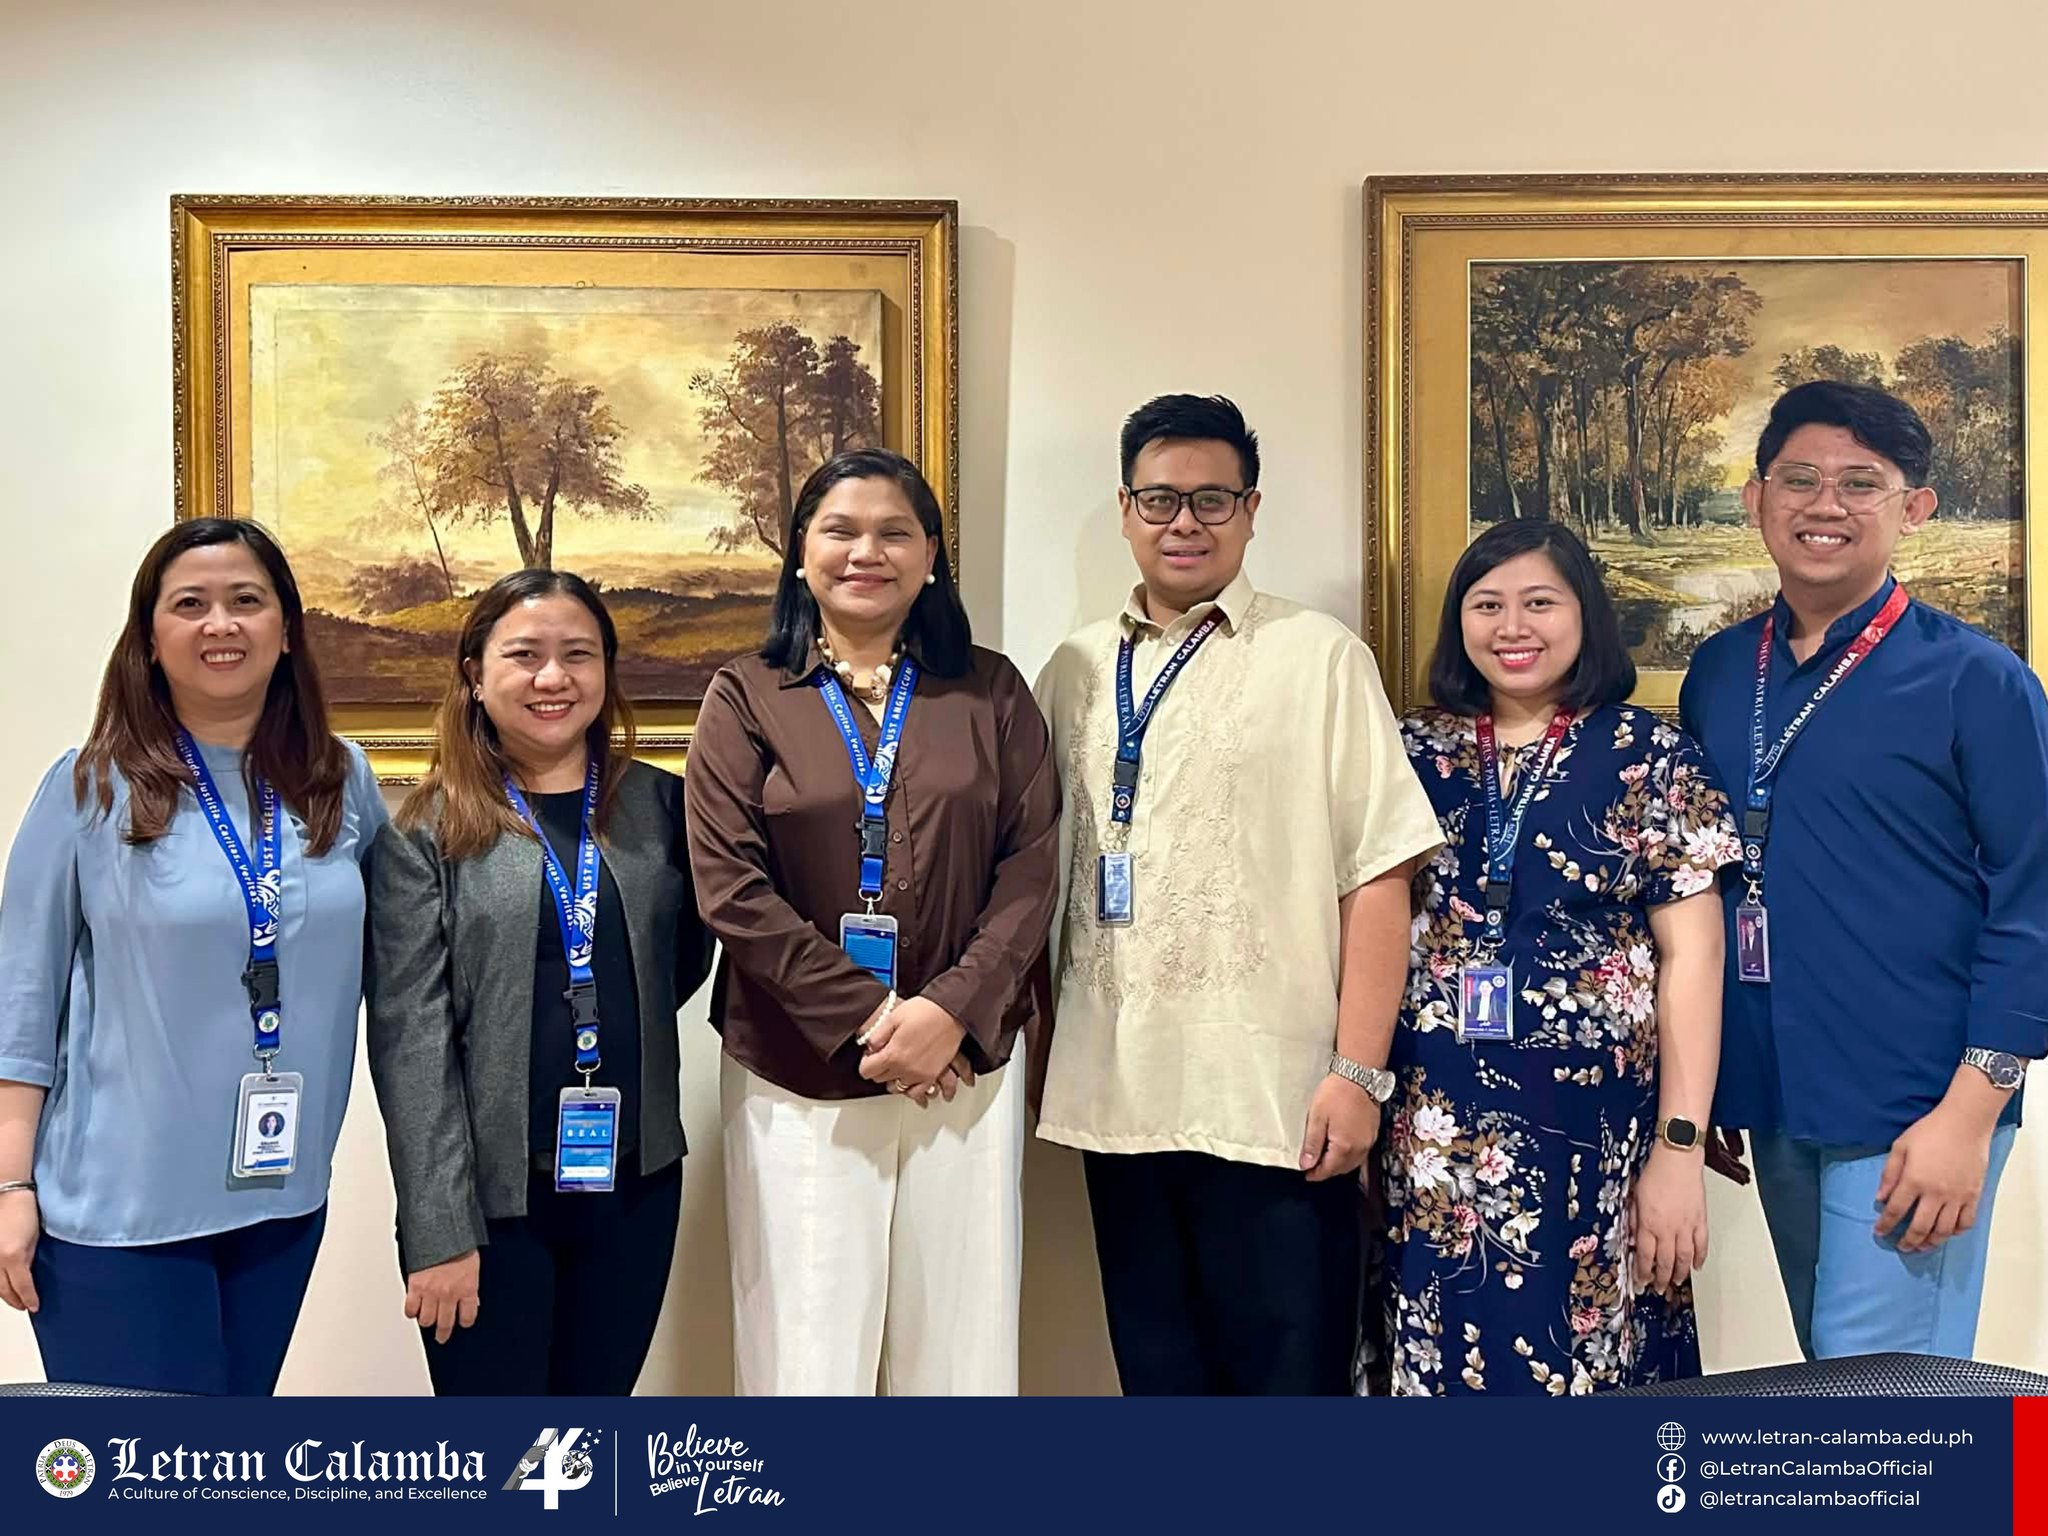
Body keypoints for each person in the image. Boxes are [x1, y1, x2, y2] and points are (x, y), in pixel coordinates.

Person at [1034, 394, 1442, 1395]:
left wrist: (1358, 1073)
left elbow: (1379, 870)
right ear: (1125, 510)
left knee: (1289, 1394)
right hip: (1115, 1098)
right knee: (1159, 1389)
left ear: (1251, 510)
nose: (1185, 522)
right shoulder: (1074, 668)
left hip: (1276, 1104)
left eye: (1211, 499)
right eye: (1160, 499)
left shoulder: (1320, 656)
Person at [1679, 379, 2048, 1360]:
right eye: (1798, 478)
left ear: (1913, 508)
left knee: (1881, 1399)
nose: (1824, 504)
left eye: (1859, 482)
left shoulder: (1977, 679)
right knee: (1829, 1381)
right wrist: (1704, 1082)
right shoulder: (1721, 672)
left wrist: (1971, 1114)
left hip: (1915, 1103)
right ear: (1757, 497)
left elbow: (2035, 903)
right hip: (1772, 1090)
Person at [685, 448, 1058, 1395]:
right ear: (799, 552)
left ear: (930, 555)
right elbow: (731, 887)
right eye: (840, 531)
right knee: (806, 1358)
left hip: (964, 1067)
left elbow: (1032, 868)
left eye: (894, 532)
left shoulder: (992, 690)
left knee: (963, 1359)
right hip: (797, 1070)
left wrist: (948, 1014)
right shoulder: (745, 694)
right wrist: (873, 1016)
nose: (867, 552)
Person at [0, 517, 385, 1394]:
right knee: (140, 1468)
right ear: (148, 636)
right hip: (119, 1210)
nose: (221, 624)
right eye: (190, 605)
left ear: (286, 631)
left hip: (281, 1198)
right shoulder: (87, 785)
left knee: (228, 1464)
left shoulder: (340, 780)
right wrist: (9, 1189)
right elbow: (21, 1005)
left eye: (247, 600)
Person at [1382, 519, 1736, 1396]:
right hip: (1432, 1137)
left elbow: (1694, 958)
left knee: (1596, 1386)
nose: (1514, 627)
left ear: (1586, 616)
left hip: (1598, 1145)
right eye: (1487, 605)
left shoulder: (1650, 756)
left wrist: (1680, 1150)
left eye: (1540, 602)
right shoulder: (1409, 752)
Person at [366, 569, 711, 1395]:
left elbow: (682, 962)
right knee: (500, 1454)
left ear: (606, 672)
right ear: (475, 675)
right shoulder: (426, 831)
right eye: (524, 655)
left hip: (634, 1185)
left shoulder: (666, 808)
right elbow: (411, 1048)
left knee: (585, 1446)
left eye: (577, 655)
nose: (553, 677)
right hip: (489, 1209)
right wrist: (439, 1232)